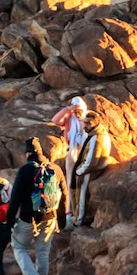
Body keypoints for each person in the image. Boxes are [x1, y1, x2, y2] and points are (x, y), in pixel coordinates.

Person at [8, 138, 66, 275]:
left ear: (28, 153)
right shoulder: (55, 168)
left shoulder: (25, 170)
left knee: (19, 247)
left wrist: (10, 219)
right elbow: (64, 195)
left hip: (28, 219)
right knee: (43, 251)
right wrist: (62, 219)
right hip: (50, 217)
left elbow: (15, 197)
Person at [53, 96, 106, 227]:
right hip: (72, 152)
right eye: (75, 111)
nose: (78, 114)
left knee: (80, 186)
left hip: (85, 153)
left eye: (79, 110)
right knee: (70, 182)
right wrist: (69, 109)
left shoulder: (88, 120)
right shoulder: (70, 118)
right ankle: (69, 212)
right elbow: (55, 120)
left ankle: (78, 217)